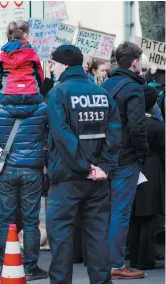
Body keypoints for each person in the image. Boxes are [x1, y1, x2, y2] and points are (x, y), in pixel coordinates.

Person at [0, 52, 49, 281]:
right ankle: (32, 267)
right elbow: (52, 134)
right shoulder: (42, 107)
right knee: (32, 221)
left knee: (6, 219)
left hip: (6, 170)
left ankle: (6, 264)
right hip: (32, 169)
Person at [46, 45, 121, 283]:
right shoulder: (103, 94)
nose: (51, 67)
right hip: (98, 179)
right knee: (98, 238)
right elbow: (114, 134)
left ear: (65, 65)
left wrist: (83, 166)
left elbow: (62, 134)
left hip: (68, 177)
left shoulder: (58, 93)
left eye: (53, 63)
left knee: (61, 239)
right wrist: (103, 167)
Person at [101, 41, 149, 280]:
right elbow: (137, 126)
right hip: (126, 157)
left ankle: (104, 260)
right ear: (134, 62)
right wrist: (143, 153)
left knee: (104, 211)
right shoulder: (133, 88)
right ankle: (116, 264)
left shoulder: (104, 85)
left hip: (104, 157)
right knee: (120, 212)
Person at [0, 20, 44, 159]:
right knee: (45, 109)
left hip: (8, 94)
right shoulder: (32, 54)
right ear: (25, 35)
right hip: (32, 93)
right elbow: (40, 76)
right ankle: (44, 143)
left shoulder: (3, 55)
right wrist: (37, 88)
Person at [128, 85, 165, 271]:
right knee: (148, 218)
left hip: (131, 169)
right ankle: (145, 258)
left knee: (133, 216)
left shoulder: (128, 123)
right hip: (152, 170)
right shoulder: (158, 126)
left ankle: (133, 257)